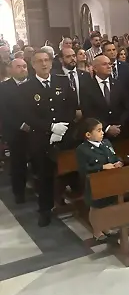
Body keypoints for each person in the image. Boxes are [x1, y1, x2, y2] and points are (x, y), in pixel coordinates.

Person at [19, 49, 76, 226]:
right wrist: (51, 128)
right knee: (43, 176)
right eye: (39, 61)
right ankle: (45, 210)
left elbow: (71, 105)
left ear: (51, 62)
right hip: (41, 139)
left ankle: (77, 202)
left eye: (46, 60)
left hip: (64, 135)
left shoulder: (62, 81)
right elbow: (27, 115)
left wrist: (62, 127)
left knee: (70, 170)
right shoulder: (26, 88)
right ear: (33, 65)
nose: (44, 64)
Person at [75, 118, 123, 241]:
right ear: (88, 135)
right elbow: (83, 169)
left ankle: (106, 227)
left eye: (102, 130)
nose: (102, 133)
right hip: (94, 183)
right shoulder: (82, 149)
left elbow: (113, 156)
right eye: (99, 130)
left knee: (107, 206)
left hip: (108, 181)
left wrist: (118, 162)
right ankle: (97, 231)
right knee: (96, 208)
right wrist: (101, 167)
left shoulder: (106, 143)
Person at [80, 55, 129, 141]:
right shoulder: (86, 87)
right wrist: (107, 128)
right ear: (95, 68)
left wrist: (119, 125)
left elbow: (128, 107)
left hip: (121, 132)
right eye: (104, 64)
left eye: (110, 64)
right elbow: (88, 112)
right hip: (99, 135)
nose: (109, 66)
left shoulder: (119, 84)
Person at [0, 58, 30, 203]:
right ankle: (19, 192)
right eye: (18, 67)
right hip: (15, 131)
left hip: (35, 129)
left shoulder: (33, 83)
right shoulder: (4, 88)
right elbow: (4, 111)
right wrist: (21, 125)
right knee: (18, 162)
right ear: (10, 70)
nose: (23, 69)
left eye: (24, 66)